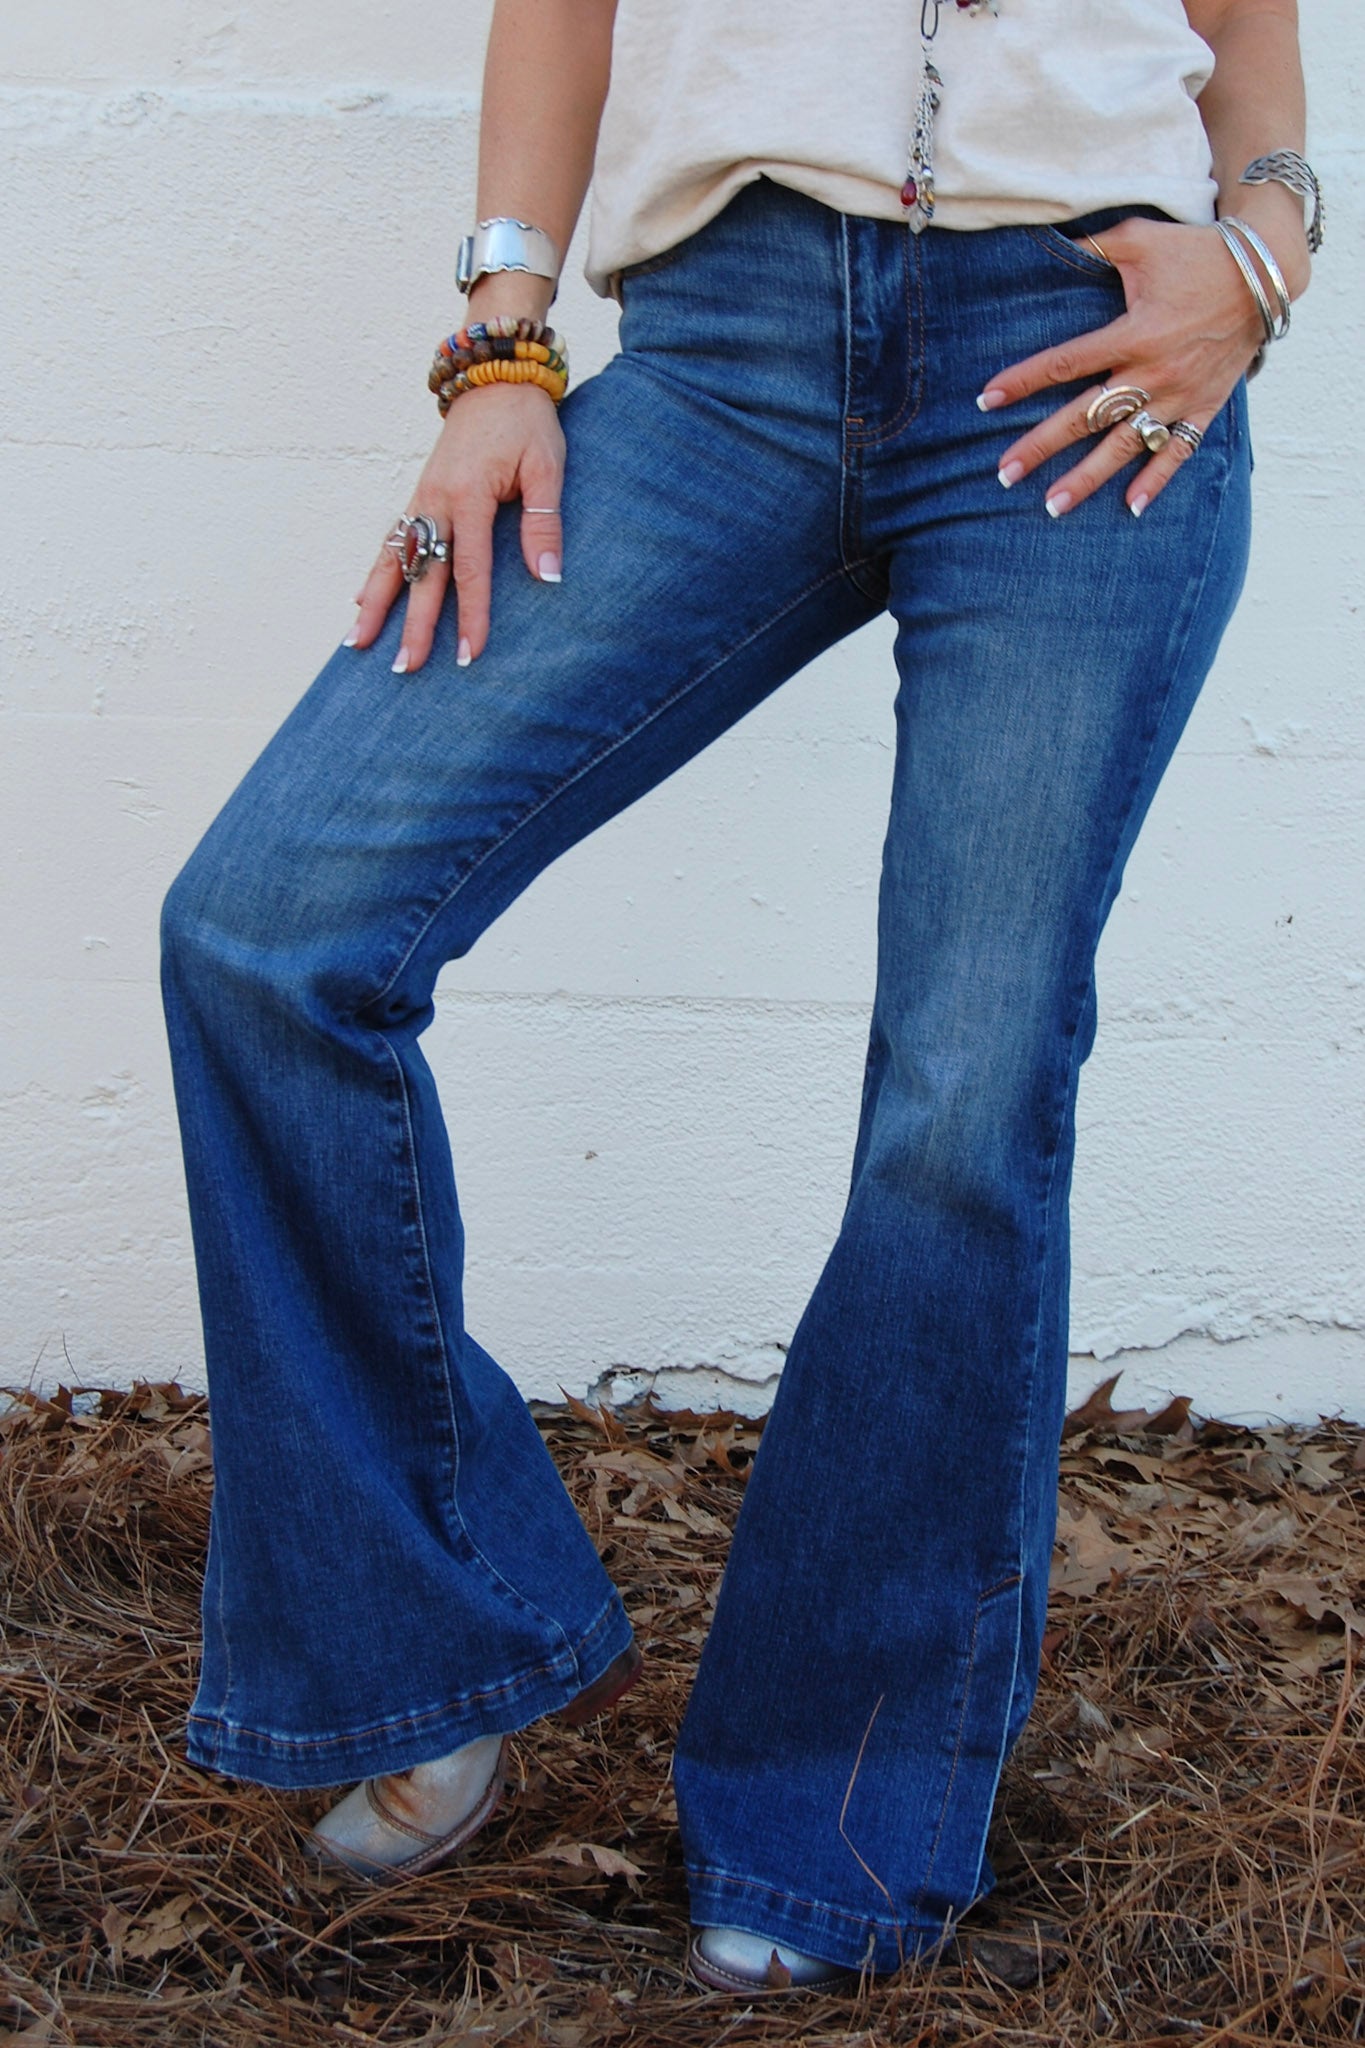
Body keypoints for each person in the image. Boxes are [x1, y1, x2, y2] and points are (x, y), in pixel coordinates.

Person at [159, 0, 1319, 1996]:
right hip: (725, 349)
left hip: (1083, 354)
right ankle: (428, 1631)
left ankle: (829, 1800)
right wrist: (501, 349)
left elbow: (1245, 36)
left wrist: (1259, 261)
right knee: (269, 926)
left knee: (962, 1098)